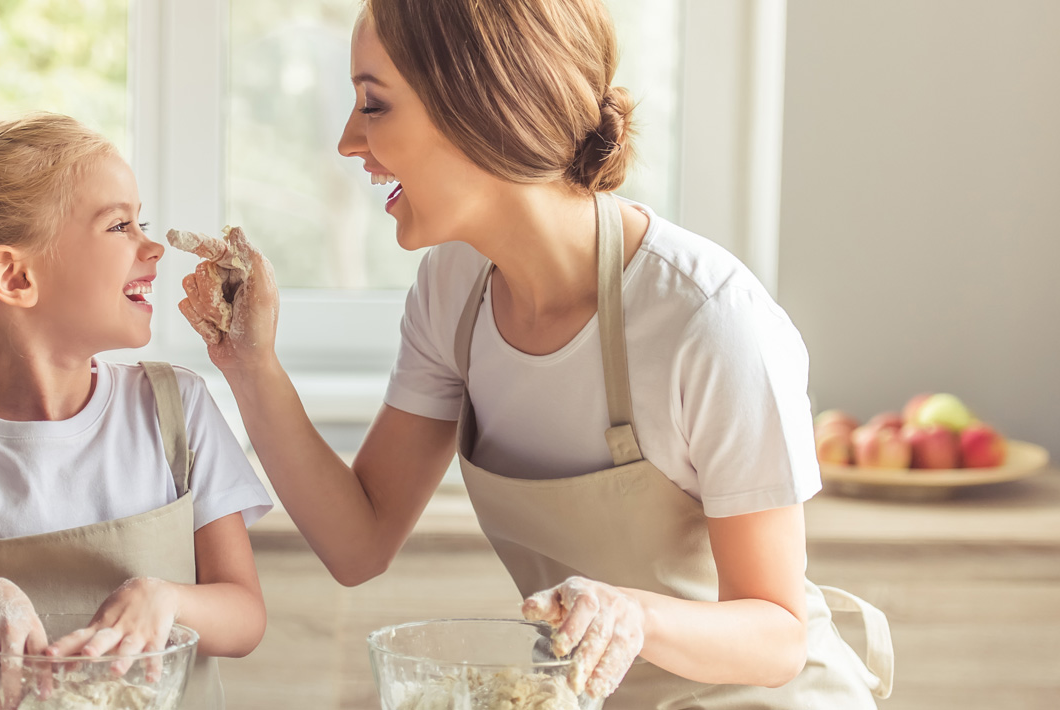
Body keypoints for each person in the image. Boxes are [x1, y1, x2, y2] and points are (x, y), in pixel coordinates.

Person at [175, 1, 893, 706]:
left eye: (374, 105)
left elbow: (777, 636)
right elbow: (358, 543)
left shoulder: (707, 323)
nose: (347, 142)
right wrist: (250, 365)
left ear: (483, 105)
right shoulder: (453, 291)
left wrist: (633, 616)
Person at [0, 113, 272, 710]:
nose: (151, 246)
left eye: (139, 220)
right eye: (120, 225)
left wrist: (167, 599)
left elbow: (246, 616)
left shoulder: (177, 408)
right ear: (16, 277)